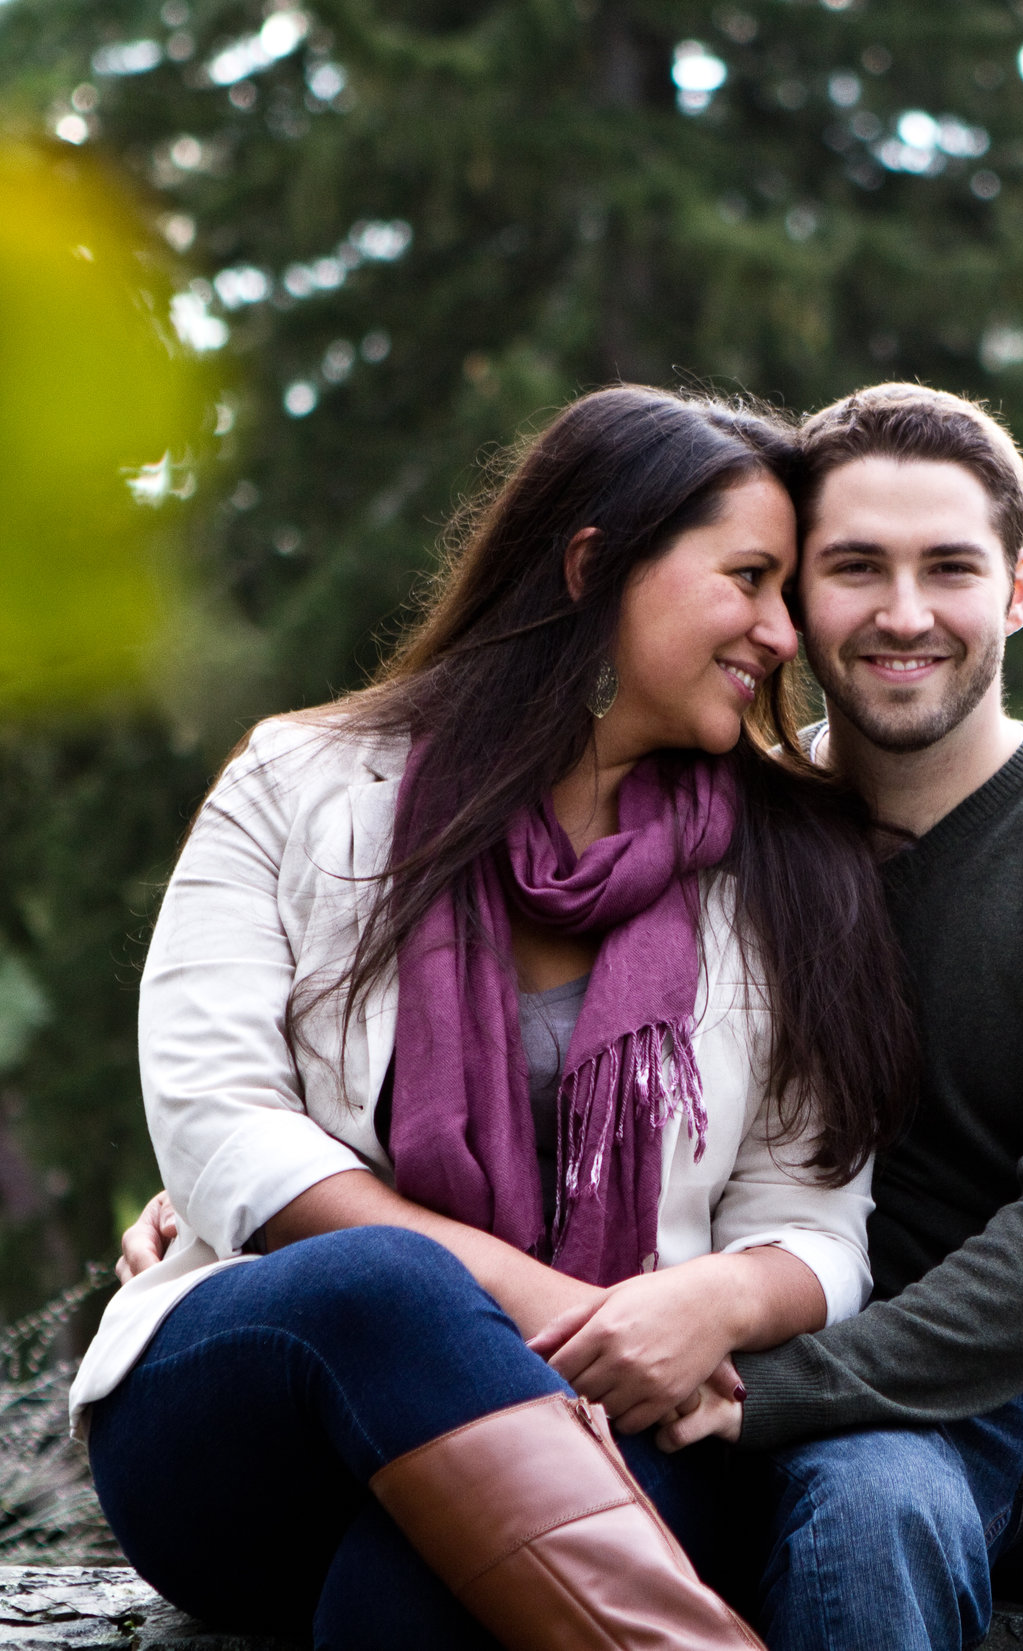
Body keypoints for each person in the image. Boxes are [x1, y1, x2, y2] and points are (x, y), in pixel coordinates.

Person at [125, 382, 1023, 1649]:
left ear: (1019, 588)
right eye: (841, 568)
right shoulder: (746, 831)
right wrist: (267, 1196)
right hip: (792, 1390)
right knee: (861, 1527)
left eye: (949, 569)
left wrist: (762, 1381)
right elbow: (286, 1090)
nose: (890, 612)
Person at [78, 385, 920, 1651]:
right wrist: (538, 1304)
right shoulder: (302, 783)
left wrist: (715, 1307)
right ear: (592, 566)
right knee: (382, 1281)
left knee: (409, 1603)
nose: (781, 631)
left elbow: (815, 1224)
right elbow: (219, 1121)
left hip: (613, 1422)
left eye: (790, 593)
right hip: (262, 1422)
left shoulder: (795, 868)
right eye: (749, 577)